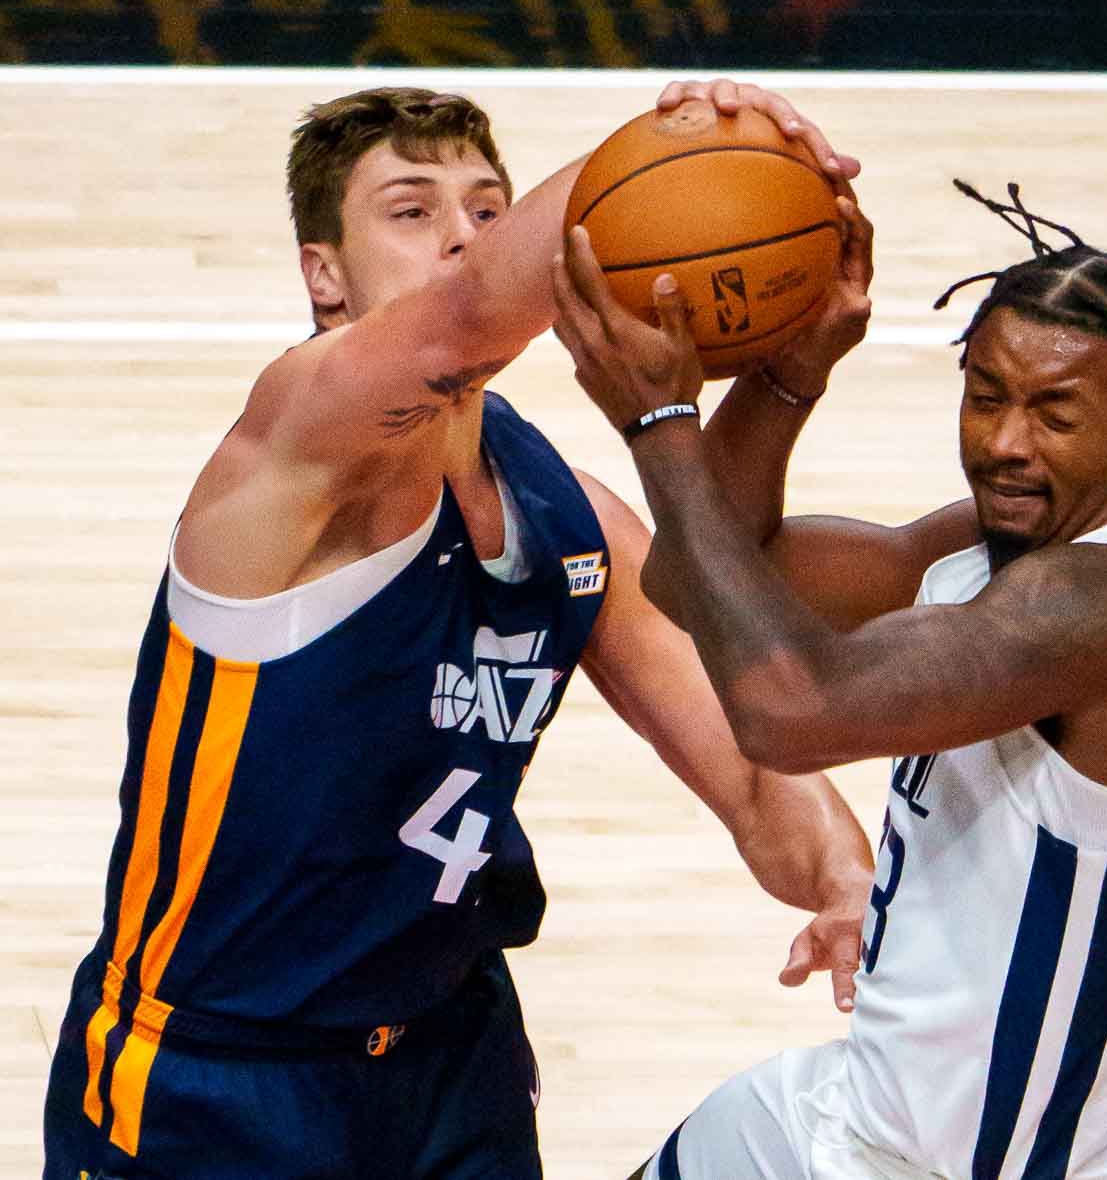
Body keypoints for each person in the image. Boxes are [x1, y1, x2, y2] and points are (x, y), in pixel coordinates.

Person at [42, 80, 878, 1180]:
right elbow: (476, 307)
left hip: (452, 1054)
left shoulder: (570, 516)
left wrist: (842, 880)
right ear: (323, 274)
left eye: (490, 206)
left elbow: (757, 766)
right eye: (411, 210)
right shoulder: (301, 438)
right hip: (221, 1067)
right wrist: (695, 145)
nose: (463, 235)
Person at [551, 180, 1107, 1180]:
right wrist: (786, 376)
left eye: (1055, 412)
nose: (1004, 443)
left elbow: (790, 712)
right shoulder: (983, 545)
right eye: (986, 396)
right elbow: (690, 579)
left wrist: (664, 423)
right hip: (851, 1111)